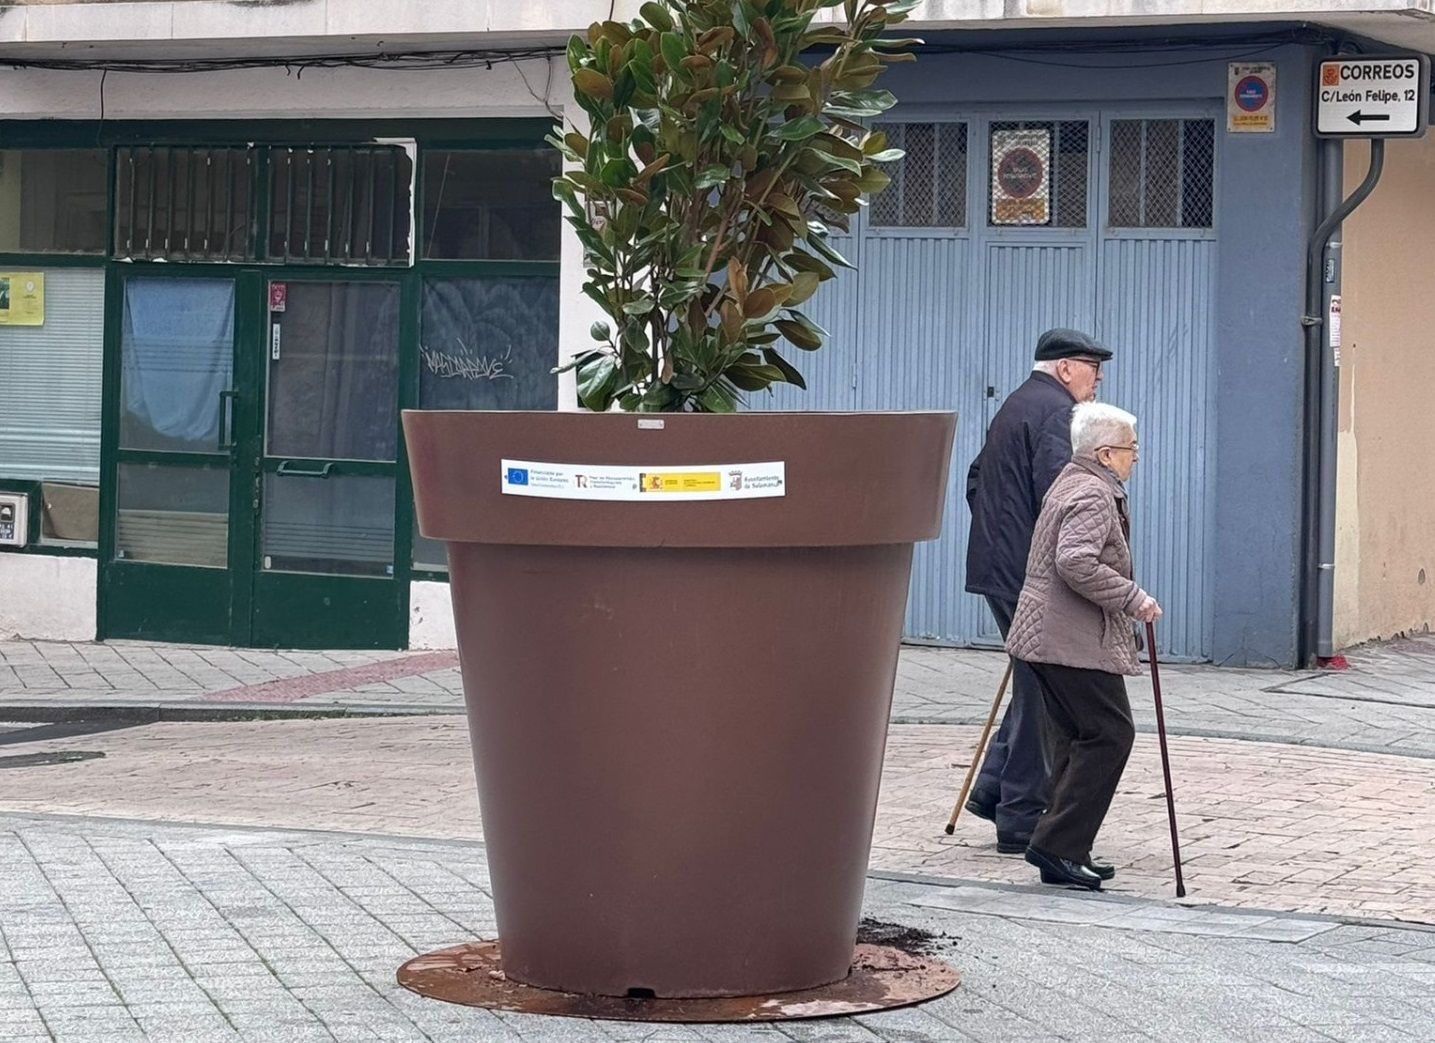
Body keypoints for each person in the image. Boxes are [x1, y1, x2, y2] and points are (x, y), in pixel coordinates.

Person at [963, 328, 1110, 853]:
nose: (1097, 382)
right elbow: (1062, 496)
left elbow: (976, 478)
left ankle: (995, 789)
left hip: (1002, 563)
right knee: (1045, 693)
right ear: (1067, 367)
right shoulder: (1057, 413)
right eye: (1093, 369)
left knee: (1032, 681)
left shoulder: (1018, 402)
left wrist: (998, 535)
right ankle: (1021, 817)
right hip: (1028, 572)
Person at [1005, 402, 1161, 891]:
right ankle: (1057, 845)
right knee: (1110, 733)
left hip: (1048, 636)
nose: (1136, 458)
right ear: (1107, 452)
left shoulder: (1073, 481)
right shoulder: (1093, 493)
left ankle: (1064, 846)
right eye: (1132, 449)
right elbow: (1075, 561)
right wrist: (1133, 597)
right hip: (1071, 639)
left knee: (1077, 736)